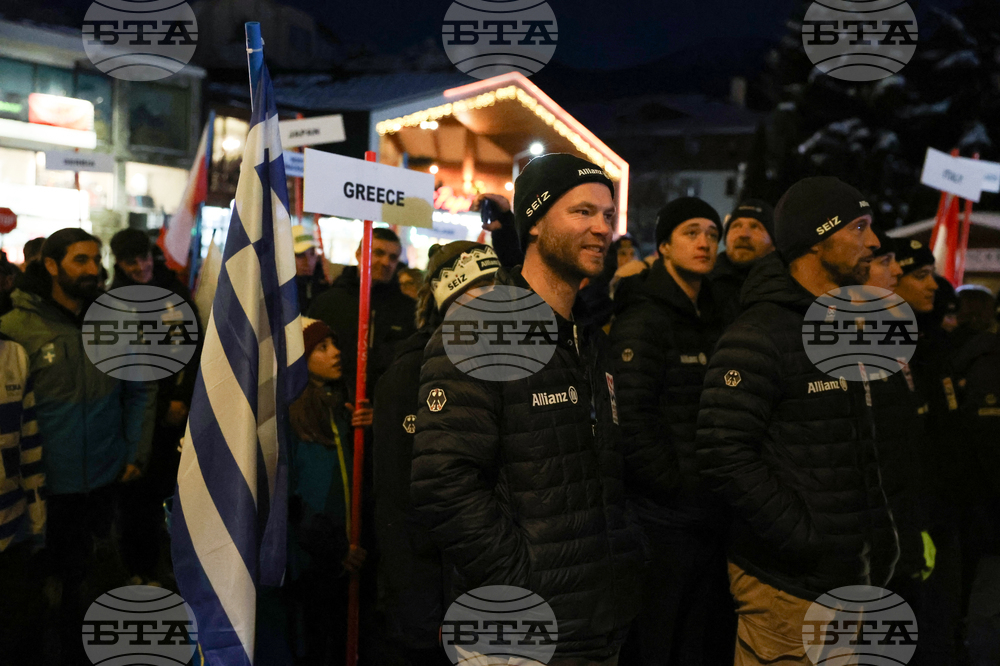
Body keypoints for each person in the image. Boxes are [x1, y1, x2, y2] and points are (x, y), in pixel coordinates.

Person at [412, 154, 645, 665]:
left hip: (596, 627)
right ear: (535, 223)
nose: (601, 228)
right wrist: (523, 581)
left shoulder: (587, 341)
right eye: (582, 212)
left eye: (608, 215)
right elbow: (442, 483)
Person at [696, 177, 897, 666]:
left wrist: (877, 542)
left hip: (843, 577)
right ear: (816, 237)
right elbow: (723, 451)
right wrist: (803, 539)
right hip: (788, 586)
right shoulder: (760, 333)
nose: (873, 242)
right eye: (859, 227)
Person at [0, 228, 157, 663]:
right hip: (42, 491)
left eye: (95, 259)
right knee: (35, 602)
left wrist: (134, 451)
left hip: (103, 482)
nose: (93, 269)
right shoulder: (15, 328)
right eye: (80, 261)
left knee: (90, 593)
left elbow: (141, 390)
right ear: (50, 266)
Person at [609, 197, 733, 666]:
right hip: (664, 517)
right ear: (663, 246)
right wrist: (673, 484)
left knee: (697, 641)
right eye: (690, 232)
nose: (704, 242)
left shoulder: (716, 314)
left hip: (708, 511)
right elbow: (632, 414)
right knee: (659, 640)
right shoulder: (644, 317)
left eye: (711, 233)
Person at [374, 241, 500, 666]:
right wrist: (420, 611)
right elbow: (397, 500)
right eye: (479, 290)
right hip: (434, 597)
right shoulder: (410, 372)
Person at [287, 317, 371, 665]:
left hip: (346, 556)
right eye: (322, 348)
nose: (336, 353)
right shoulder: (294, 417)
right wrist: (336, 548)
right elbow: (301, 498)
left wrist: (367, 427)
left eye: (334, 344)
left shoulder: (339, 404)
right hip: (314, 563)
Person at [308, 227, 415, 394]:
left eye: (393, 257)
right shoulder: (328, 302)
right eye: (378, 253)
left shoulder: (408, 310)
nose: (386, 262)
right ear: (359, 253)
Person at [0, 333, 46, 666]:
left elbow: (28, 440)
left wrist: (37, 514)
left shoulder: (14, 353)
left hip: (13, 526)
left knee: (15, 634)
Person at [710, 199, 775, 324]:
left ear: (773, 243)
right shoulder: (702, 285)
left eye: (755, 226)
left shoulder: (785, 288)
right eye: (736, 226)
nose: (744, 234)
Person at [292, 225, 330, 313]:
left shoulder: (324, 287)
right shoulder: (279, 292)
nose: (308, 262)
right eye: (300, 255)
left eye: (312, 253)